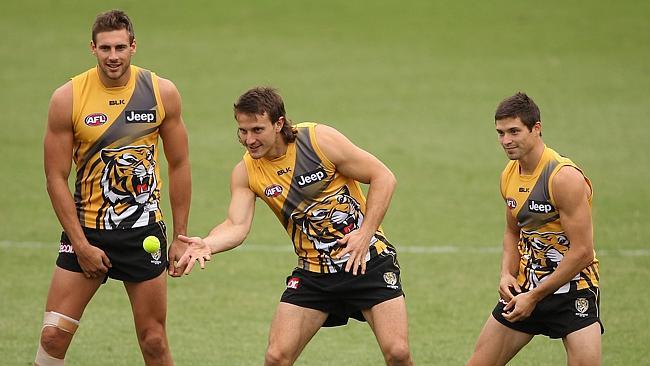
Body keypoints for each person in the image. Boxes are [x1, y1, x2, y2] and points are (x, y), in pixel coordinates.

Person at [175, 87, 413, 365]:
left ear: (278, 123)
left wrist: (365, 234)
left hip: (366, 261)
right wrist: (209, 243)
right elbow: (236, 224)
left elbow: (383, 177)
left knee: (398, 353)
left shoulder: (318, 140)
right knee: (276, 357)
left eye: (257, 130)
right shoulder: (247, 171)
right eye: (242, 131)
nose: (249, 140)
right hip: (315, 272)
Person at [37, 9, 191, 366]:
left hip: (142, 235)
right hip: (86, 232)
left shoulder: (161, 92)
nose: (113, 56)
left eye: (120, 47)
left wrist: (181, 235)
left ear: (134, 47)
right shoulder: (68, 98)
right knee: (52, 336)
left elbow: (180, 164)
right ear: (92, 48)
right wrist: (80, 244)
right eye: (105, 48)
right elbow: (55, 178)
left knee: (154, 341)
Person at [466, 92, 603, 366]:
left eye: (514, 131)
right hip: (526, 285)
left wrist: (536, 296)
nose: (506, 140)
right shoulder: (509, 174)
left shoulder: (563, 177)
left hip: (573, 289)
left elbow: (583, 252)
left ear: (536, 128)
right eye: (500, 133)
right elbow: (512, 231)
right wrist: (506, 273)